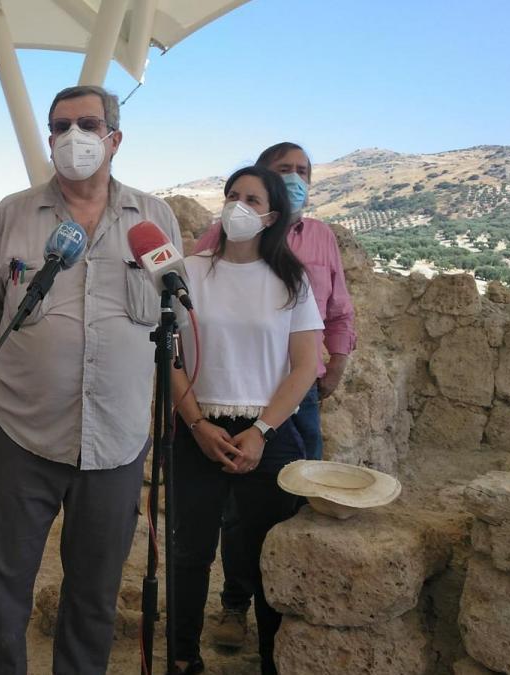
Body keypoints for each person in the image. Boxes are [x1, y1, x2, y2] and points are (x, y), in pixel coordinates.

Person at [0, 85, 182, 674]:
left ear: (115, 137)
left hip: (116, 442)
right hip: (22, 436)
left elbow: (173, 315)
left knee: (94, 597)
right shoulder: (12, 215)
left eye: (87, 124)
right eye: (60, 126)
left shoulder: (154, 218)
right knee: (0, 589)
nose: (72, 138)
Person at [194, 142, 357, 647]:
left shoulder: (321, 237)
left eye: (302, 171)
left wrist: (336, 367)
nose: (294, 178)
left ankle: (284, 617)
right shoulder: (220, 234)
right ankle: (235, 606)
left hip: (297, 394)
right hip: (235, 395)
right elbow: (198, 297)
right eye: (283, 170)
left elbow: (340, 307)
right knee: (235, 510)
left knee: (292, 501)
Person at [169, 165, 322, 675]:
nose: (238, 206)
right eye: (232, 195)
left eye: (252, 200)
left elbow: (305, 366)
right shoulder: (189, 272)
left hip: (267, 434)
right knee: (189, 553)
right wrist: (195, 424)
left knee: (266, 556)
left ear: (272, 215)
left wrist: (260, 432)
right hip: (198, 428)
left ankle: (273, 660)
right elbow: (168, 357)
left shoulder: (291, 281)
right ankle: (184, 657)